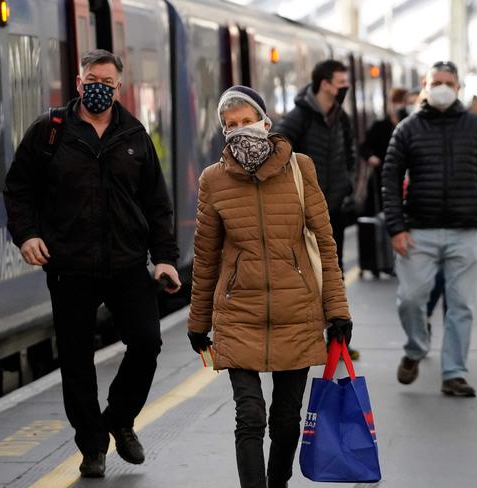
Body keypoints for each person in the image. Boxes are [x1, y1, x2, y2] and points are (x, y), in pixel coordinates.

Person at [4, 49, 180, 478]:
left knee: (147, 342)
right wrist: (27, 235)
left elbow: (157, 205)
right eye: (89, 79)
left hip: (126, 263)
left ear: (119, 87)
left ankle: (119, 418)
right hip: (70, 266)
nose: (96, 86)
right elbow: (18, 188)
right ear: (79, 81)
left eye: (106, 81)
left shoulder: (135, 134)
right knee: (77, 359)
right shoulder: (50, 131)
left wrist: (165, 260)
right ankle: (92, 446)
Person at [187, 85, 352, 488]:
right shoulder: (213, 180)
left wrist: (338, 312)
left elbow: (323, 245)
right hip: (238, 315)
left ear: (266, 121)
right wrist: (198, 321)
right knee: (250, 417)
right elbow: (206, 255)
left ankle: (277, 482)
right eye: (231, 125)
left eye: (247, 121)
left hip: (296, 312)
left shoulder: (300, 168)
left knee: (285, 418)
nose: (241, 130)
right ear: (223, 131)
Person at [382, 61, 477, 397]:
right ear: (425, 85)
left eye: (447, 82)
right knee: (410, 298)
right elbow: (390, 179)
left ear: (458, 88)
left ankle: (454, 372)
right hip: (418, 230)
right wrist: (396, 227)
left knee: (461, 304)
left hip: (464, 231)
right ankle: (415, 348)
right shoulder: (408, 129)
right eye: (435, 81)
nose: (441, 87)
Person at [274, 60, 356, 272]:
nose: (345, 87)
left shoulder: (341, 117)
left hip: (335, 207)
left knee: (334, 268)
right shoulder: (299, 117)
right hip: (305, 209)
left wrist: (348, 183)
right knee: (307, 269)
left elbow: (350, 152)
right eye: (341, 82)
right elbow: (276, 150)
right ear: (325, 84)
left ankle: (335, 306)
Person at [360, 87, 409, 215]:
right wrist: (371, 157)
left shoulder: (412, 125)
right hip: (381, 177)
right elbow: (364, 147)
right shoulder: (380, 125)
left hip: (406, 179)